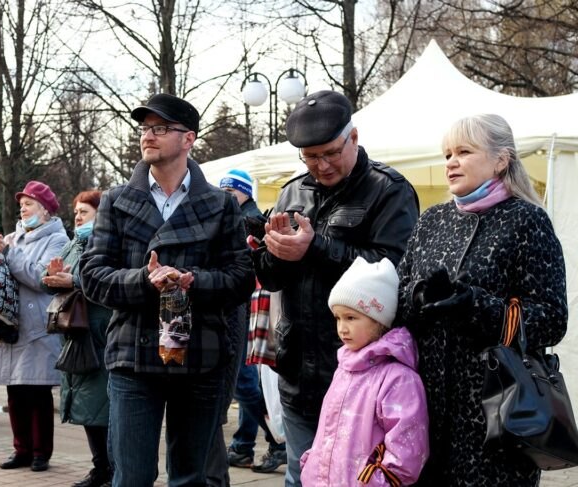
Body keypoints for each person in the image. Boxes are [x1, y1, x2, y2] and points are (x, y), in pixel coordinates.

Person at [80, 93, 255, 486]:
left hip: (201, 357)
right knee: (132, 477)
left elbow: (241, 278)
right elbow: (92, 275)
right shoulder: (117, 200)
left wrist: (192, 280)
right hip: (133, 357)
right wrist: (144, 279)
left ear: (188, 138)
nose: (148, 136)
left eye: (160, 128)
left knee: (191, 477)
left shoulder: (220, 205)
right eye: (145, 128)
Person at [252, 90, 419, 486]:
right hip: (298, 369)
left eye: (329, 153)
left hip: (362, 373)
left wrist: (316, 248)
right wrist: (271, 253)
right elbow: (272, 278)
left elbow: (393, 271)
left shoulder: (389, 190)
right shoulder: (292, 192)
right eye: (310, 157)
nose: (321, 166)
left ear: (354, 137)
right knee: (301, 476)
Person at [396, 113, 568, 486]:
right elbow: (401, 292)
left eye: (464, 151)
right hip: (425, 411)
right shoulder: (432, 220)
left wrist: (475, 305)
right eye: (446, 154)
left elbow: (552, 318)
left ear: (500, 160)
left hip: (496, 415)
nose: (451, 162)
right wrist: (419, 296)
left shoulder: (527, 220)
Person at [299, 257, 429, 486]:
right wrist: (312, 464)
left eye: (351, 317)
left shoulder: (398, 379)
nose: (342, 328)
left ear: (379, 320)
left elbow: (407, 450)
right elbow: (328, 429)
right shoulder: (344, 368)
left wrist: (375, 482)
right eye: (338, 318)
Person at [0, 180, 69, 473]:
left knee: (37, 392)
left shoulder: (58, 240)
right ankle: (20, 449)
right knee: (15, 392)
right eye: (21, 204)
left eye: (29, 203)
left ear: (45, 210)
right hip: (11, 324)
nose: (23, 208)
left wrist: (7, 253)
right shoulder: (13, 237)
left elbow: (41, 278)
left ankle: (40, 453)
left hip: (37, 327)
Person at [217, 169, 287, 475]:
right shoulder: (233, 217)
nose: (226, 196)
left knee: (244, 383)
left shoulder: (249, 221)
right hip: (243, 311)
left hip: (250, 312)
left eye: (231, 191)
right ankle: (245, 444)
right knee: (245, 384)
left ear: (245, 192)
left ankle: (276, 440)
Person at [42, 190, 113, 487]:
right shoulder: (74, 244)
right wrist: (51, 277)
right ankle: (100, 468)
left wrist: (74, 281)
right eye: (76, 213)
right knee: (85, 407)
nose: (78, 218)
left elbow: (108, 282)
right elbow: (57, 284)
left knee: (102, 407)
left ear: (101, 214)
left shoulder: (107, 243)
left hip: (99, 334)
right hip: (75, 335)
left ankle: (112, 469)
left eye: (84, 212)